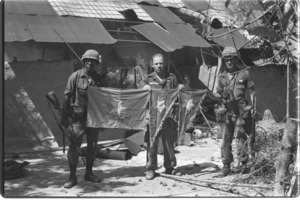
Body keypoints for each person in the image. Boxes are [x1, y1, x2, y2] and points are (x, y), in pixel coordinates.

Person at [61, 49, 106, 188]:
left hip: (93, 118)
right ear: (83, 61)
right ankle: (72, 177)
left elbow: (103, 100)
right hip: (78, 118)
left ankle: (89, 173)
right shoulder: (75, 76)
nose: (90, 63)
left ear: (96, 63)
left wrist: (103, 119)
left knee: (92, 146)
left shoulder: (99, 79)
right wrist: (64, 116)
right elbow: (67, 96)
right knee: (74, 147)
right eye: (87, 60)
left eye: (93, 61)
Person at [140, 53, 184, 180]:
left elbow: (178, 92)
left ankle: (170, 167)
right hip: (153, 117)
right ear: (152, 65)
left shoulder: (171, 78)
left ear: (163, 63)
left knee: (168, 143)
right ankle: (150, 168)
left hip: (168, 116)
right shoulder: (147, 79)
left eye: (161, 63)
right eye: (156, 63)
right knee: (152, 143)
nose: (159, 65)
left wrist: (181, 87)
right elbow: (140, 93)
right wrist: (145, 88)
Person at [214, 46, 257, 177]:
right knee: (226, 140)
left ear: (235, 59)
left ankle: (244, 166)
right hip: (227, 112)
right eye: (226, 60)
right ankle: (226, 167)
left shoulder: (244, 73)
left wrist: (254, 107)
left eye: (231, 59)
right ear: (224, 61)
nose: (229, 62)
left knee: (241, 139)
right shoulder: (221, 77)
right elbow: (218, 93)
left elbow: (252, 91)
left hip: (240, 112)